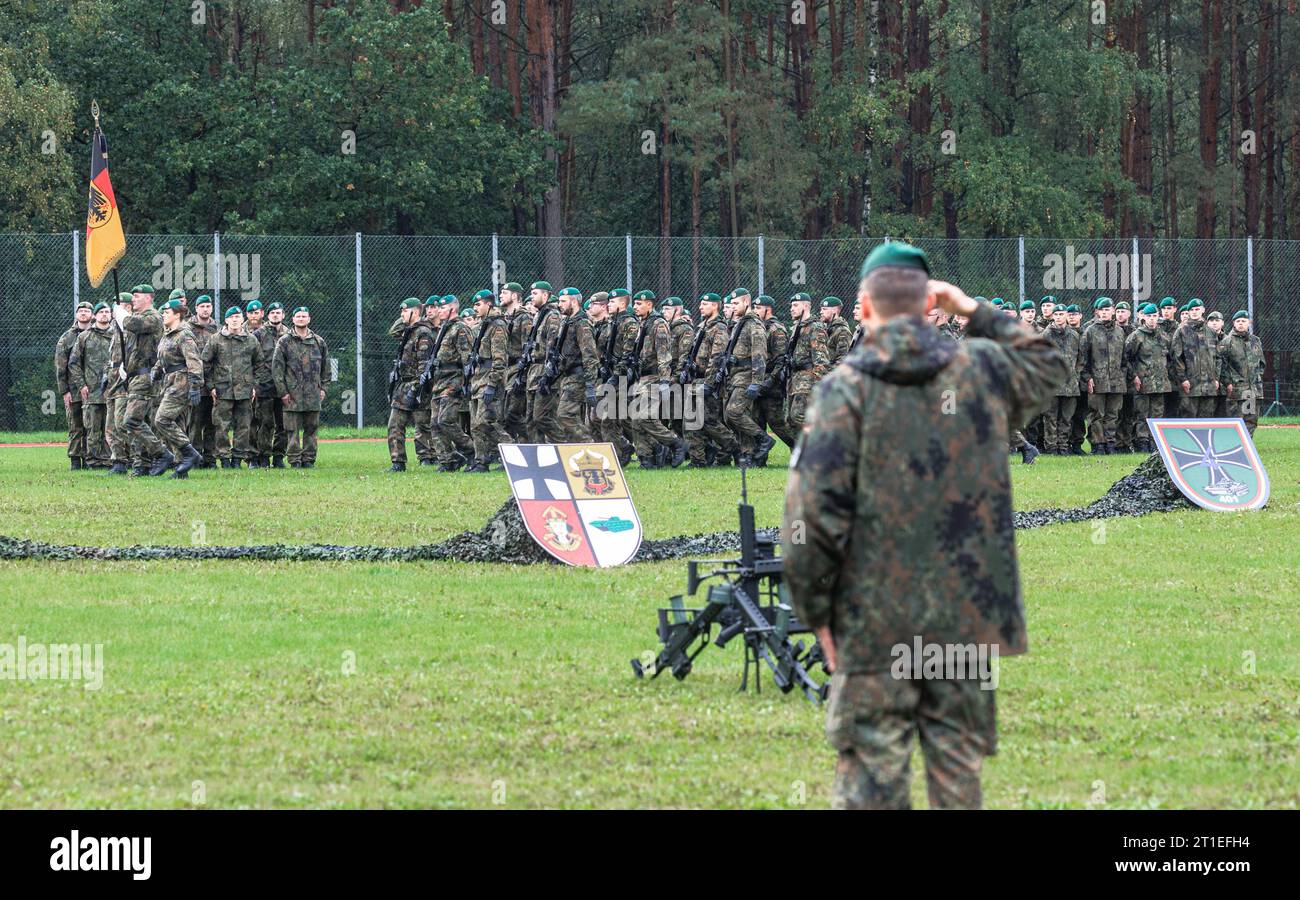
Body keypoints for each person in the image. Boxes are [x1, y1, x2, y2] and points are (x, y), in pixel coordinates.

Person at [782, 242, 1065, 810]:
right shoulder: (982, 370)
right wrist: (973, 310)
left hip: (872, 616)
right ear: (931, 303)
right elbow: (1051, 365)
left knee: (871, 776)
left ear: (863, 308)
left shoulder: (843, 390)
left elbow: (810, 518)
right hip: (964, 614)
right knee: (957, 769)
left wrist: (818, 614)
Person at [627, 290, 687, 468]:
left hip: (654, 377)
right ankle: (646, 459)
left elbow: (664, 355)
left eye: (639, 304)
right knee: (636, 420)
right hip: (642, 377)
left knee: (645, 416)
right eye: (635, 303)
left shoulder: (659, 324)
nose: (636, 307)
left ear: (649, 305)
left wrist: (664, 381)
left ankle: (677, 444)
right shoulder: (642, 323)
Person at [717, 288, 772, 468]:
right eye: (731, 304)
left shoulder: (754, 324)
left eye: (736, 303)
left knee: (734, 412)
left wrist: (757, 382)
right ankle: (748, 454)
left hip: (747, 375)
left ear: (746, 302)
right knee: (728, 417)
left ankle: (764, 440)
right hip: (735, 375)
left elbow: (759, 355)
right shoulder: (740, 323)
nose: (733, 307)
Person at [150, 298, 205, 477]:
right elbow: (163, 358)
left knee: (162, 420)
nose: (163, 315)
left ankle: (191, 454)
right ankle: (182, 468)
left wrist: (195, 385)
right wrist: (156, 370)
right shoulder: (169, 334)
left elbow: (194, 362)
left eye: (167, 312)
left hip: (181, 382)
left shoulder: (184, 335)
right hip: (170, 380)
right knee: (178, 424)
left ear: (177, 315)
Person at [204, 305, 264, 468]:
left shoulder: (251, 340)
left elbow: (259, 364)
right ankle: (224, 458)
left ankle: (237, 458)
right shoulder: (216, 339)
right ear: (226, 320)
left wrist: (254, 386)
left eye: (238, 317)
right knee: (221, 426)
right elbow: (206, 364)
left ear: (242, 319)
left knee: (243, 426)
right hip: (222, 390)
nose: (235, 320)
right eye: (232, 317)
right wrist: (211, 386)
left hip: (244, 390)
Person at [121, 284, 171, 476]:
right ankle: (142, 464)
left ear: (149, 298)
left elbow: (136, 325)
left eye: (137, 296)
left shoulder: (154, 317)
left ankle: (162, 453)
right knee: (142, 422)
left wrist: (122, 316)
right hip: (135, 376)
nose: (133, 299)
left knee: (131, 421)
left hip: (146, 376)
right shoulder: (139, 317)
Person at [272, 306, 328, 467]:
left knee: (311, 429)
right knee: (292, 430)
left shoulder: (318, 341)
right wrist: (283, 392)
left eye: (304, 316)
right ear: (293, 319)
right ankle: (295, 460)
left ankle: (309, 460)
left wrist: (323, 388)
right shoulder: (284, 341)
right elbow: (277, 369)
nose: (301, 318)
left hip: (313, 394)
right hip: (292, 395)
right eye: (298, 316)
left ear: (309, 319)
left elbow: (326, 368)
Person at [385, 298, 435, 472]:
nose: (401, 314)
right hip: (403, 384)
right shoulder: (408, 331)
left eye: (405, 311)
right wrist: (407, 318)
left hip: (417, 385)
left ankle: (427, 457)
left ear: (415, 312)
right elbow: (393, 331)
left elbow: (424, 363)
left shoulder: (423, 332)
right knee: (395, 424)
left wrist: (418, 388)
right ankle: (397, 461)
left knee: (422, 424)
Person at [547, 287, 601, 443]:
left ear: (574, 301)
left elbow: (590, 355)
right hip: (567, 376)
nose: (559, 304)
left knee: (565, 415)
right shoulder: (567, 321)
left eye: (563, 301)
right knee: (567, 416)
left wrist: (590, 385)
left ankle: (589, 445)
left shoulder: (582, 323)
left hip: (578, 376)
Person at [465, 290, 511, 471]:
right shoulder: (484, 325)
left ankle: (511, 455)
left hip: (489, 380)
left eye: (478, 304)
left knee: (489, 422)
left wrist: (492, 384)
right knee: (476, 425)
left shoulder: (497, 326)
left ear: (489, 304)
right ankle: (480, 461)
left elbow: (500, 359)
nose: (475, 308)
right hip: (478, 379)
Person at [67, 301, 116, 469]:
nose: (104, 314)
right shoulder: (84, 336)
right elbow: (73, 363)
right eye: (101, 312)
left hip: (113, 390)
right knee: (92, 429)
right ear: (95, 315)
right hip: (92, 391)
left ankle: (111, 460)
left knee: (111, 429)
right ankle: (94, 461)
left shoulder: (118, 335)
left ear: (111, 315)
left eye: (107, 312)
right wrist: (81, 385)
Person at [1079, 297, 1126, 454]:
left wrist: (1123, 375)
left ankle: (1110, 444)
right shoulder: (1090, 331)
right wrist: (1087, 378)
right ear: (1097, 312)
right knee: (1096, 414)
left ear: (1113, 311)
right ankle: (1098, 444)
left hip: (1116, 381)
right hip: (1097, 380)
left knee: (1113, 414)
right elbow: (1082, 359)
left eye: (1108, 310)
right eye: (1102, 310)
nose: (1105, 313)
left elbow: (1124, 359)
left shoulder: (1120, 331)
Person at [1123, 302, 1172, 453]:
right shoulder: (1136, 336)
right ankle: (1142, 442)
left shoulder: (1164, 336)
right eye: (1149, 316)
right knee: (1142, 414)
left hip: (1160, 383)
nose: (1152, 319)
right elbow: (1126, 358)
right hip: (1143, 383)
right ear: (1143, 317)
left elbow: (1170, 358)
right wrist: (1134, 376)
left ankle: (1154, 442)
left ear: (1158, 317)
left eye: (1154, 316)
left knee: (1157, 414)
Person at [55, 301, 94, 469]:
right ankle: (75, 460)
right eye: (81, 311)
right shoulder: (67, 338)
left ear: (92, 314)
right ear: (77, 315)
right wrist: (64, 391)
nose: (84, 313)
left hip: (94, 389)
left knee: (91, 426)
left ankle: (91, 459)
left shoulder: (98, 333)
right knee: (75, 425)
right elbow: (60, 366)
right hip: (74, 390)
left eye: (87, 311)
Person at [1042, 305, 1082, 455]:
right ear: (1052, 316)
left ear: (1066, 315)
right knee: (1050, 417)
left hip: (1070, 384)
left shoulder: (1074, 336)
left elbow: (1080, 358)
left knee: (1066, 418)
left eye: (1061, 314)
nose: (1059, 317)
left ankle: (1063, 446)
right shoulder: (1045, 335)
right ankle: (1052, 447)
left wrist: (1075, 374)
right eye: (1056, 314)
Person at [1170, 298, 1220, 417]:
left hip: (1208, 386)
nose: (1194, 312)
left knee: (1206, 420)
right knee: (1188, 420)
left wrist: (1216, 378)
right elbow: (1176, 357)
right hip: (1190, 385)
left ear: (1203, 310)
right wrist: (1183, 379)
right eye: (1191, 309)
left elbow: (1218, 357)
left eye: (1197, 309)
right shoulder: (1181, 331)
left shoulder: (1211, 332)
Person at [1219, 310, 1264, 434]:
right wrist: (1228, 382)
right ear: (1233, 323)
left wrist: (1257, 378)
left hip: (1252, 390)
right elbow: (1222, 366)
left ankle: (1247, 449)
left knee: (1250, 421)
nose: (1240, 324)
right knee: (1236, 422)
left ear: (1249, 322)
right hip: (1236, 391)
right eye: (1238, 321)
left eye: (1243, 321)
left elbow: (1261, 363)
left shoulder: (1256, 341)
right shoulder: (1227, 342)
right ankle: (1234, 450)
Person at [821, 297, 854, 366]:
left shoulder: (842, 331)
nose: (821, 312)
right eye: (821, 309)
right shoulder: (826, 328)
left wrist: (828, 374)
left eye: (824, 309)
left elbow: (843, 359)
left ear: (834, 310)